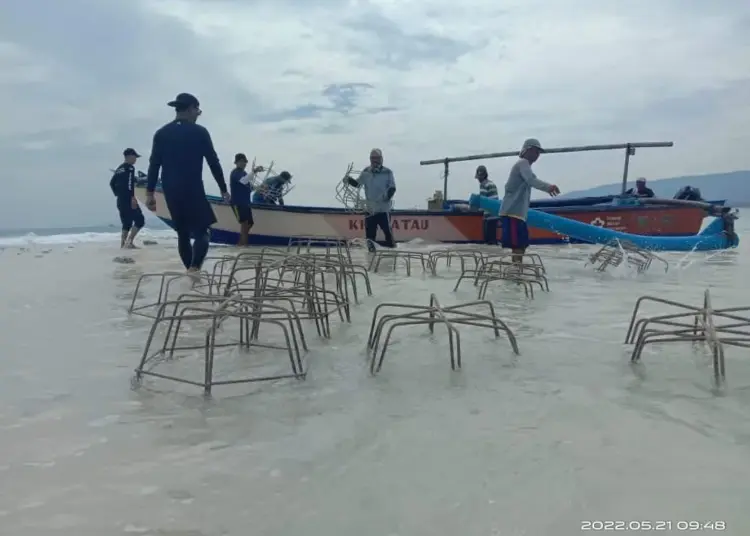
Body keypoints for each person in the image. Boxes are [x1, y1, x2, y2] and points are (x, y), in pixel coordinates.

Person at [145, 93, 230, 275]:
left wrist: (149, 193)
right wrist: (223, 189)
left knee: (182, 234)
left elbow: (154, 165)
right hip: (192, 187)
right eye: (197, 110)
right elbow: (213, 162)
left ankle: (190, 274)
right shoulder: (199, 132)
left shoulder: (161, 133)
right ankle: (194, 269)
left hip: (170, 189)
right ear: (191, 108)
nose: (198, 115)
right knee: (202, 232)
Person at [498, 138, 560, 263]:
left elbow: (531, 179)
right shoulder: (523, 163)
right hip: (512, 213)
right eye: (535, 151)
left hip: (518, 214)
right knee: (518, 246)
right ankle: (516, 271)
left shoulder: (525, 167)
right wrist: (549, 187)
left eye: (538, 152)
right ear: (527, 150)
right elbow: (532, 180)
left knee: (522, 245)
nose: (537, 155)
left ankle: (517, 270)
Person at [343, 148, 396, 251]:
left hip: (383, 210)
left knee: (388, 234)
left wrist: (385, 197)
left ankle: (392, 257)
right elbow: (357, 184)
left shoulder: (388, 172)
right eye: (372, 158)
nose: (375, 160)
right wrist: (349, 180)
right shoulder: (366, 171)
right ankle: (371, 259)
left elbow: (392, 188)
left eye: (377, 158)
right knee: (370, 238)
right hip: (370, 210)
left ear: (381, 159)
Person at [109, 148, 145, 249]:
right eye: (135, 157)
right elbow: (130, 184)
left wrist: (118, 194)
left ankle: (123, 245)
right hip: (129, 199)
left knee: (126, 223)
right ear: (129, 156)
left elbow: (111, 183)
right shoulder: (130, 168)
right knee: (140, 220)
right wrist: (132, 198)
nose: (135, 160)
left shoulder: (119, 169)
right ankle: (129, 243)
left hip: (120, 200)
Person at [229, 153, 255, 246]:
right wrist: (254, 171)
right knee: (244, 223)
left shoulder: (244, 173)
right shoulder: (235, 172)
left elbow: (249, 187)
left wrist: (261, 188)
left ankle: (240, 243)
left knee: (250, 223)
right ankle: (243, 245)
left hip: (246, 203)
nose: (243, 163)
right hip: (237, 203)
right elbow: (244, 181)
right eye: (241, 162)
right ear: (236, 163)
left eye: (244, 162)